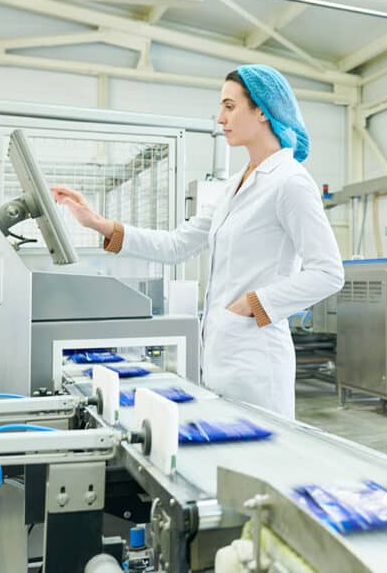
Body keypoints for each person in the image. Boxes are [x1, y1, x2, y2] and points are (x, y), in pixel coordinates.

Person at [53, 64, 344, 418]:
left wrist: (252, 304)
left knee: (256, 462)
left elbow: (328, 272)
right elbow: (177, 245)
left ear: (263, 111)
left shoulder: (290, 182)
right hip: (221, 357)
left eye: (230, 106)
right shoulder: (235, 184)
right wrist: (98, 224)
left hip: (258, 362)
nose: (220, 119)